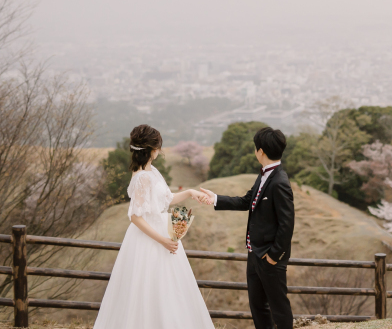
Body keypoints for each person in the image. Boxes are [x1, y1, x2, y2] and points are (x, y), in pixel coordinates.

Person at [93, 124, 214, 329]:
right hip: (148, 240)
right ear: (152, 149)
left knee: (169, 290)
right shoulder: (142, 177)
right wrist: (163, 241)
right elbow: (135, 217)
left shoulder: (152, 171)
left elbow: (167, 199)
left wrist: (190, 193)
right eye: (158, 146)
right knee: (147, 289)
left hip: (162, 235)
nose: (159, 150)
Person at [200, 127, 295, 329]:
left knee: (279, 307)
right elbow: (246, 201)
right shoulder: (264, 175)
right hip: (254, 253)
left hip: (269, 257)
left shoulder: (280, 182)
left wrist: (273, 256)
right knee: (258, 306)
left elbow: (287, 224)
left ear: (260, 151)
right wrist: (215, 198)